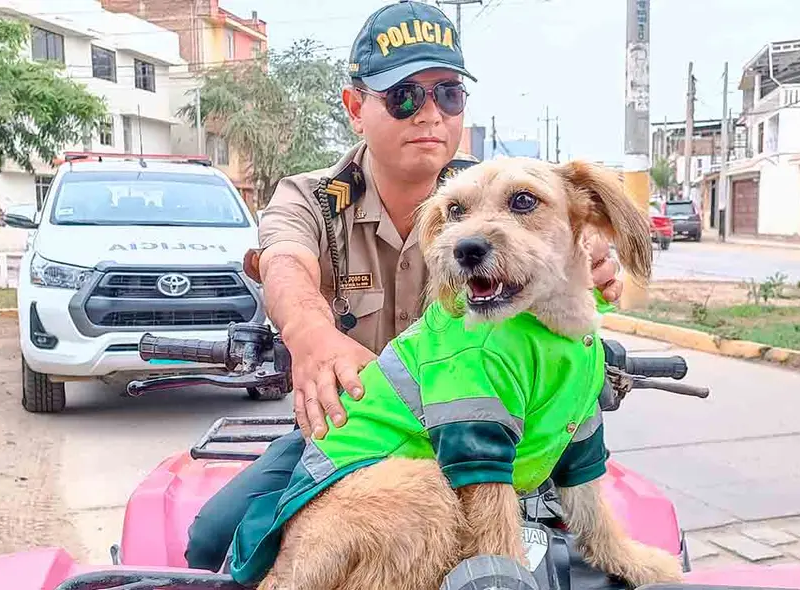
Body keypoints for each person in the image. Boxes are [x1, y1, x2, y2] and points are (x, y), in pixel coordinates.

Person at [185, 0, 624, 572]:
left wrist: (583, 257)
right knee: (214, 542)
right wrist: (310, 333)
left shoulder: (500, 192)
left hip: (495, 430)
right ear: (354, 107)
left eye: (448, 94)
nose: (430, 115)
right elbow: (285, 263)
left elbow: (566, 243)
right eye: (404, 96)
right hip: (362, 428)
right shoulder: (311, 197)